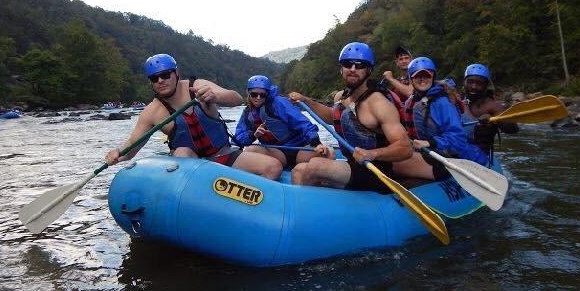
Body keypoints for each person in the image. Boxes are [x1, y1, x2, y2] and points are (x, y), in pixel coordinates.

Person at [104, 54, 282, 180]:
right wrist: (118, 153)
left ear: (176, 74)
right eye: (154, 78)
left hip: (222, 154)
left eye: (165, 75)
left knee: (273, 167)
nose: (160, 81)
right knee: (182, 151)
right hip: (193, 169)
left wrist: (215, 97)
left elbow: (235, 98)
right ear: (150, 82)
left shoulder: (198, 86)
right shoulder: (151, 112)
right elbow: (132, 147)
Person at [289, 42, 413, 192]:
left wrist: (372, 154)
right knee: (298, 170)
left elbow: (405, 148)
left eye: (360, 65)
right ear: (341, 69)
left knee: (315, 165)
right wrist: (306, 100)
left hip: (377, 170)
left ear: (369, 69)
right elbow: (330, 117)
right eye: (348, 64)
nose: (353, 69)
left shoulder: (378, 102)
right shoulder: (341, 97)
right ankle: (310, 209)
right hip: (354, 164)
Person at [392, 57, 490, 181]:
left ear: (433, 76)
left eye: (426, 76)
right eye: (418, 76)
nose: (422, 79)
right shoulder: (411, 102)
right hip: (429, 152)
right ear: (411, 79)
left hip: (453, 155)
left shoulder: (443, 102)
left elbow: (458, 138)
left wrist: (430, 142)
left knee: (397, 164)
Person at [234, 75, 330, 168]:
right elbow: (239, 137)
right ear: (248, 93)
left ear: (267, 94)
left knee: (329, 153)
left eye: (262, 95)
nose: (258, 98)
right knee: (250, 150)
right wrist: (253, 135)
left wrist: (316, 142)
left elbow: (303, 123)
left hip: (299, 148)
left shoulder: (279, 102)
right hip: (277, 153)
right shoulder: (247, 113)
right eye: (254, 94)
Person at [461, 63, 519, 158]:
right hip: (457, 149)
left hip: (479, 155)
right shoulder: (457, 100)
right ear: (464, 82)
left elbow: (513, 129)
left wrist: (494, 119)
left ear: (486, 85)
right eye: (470, 82)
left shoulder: (493, 106)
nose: (474, 86)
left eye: (479, 83)